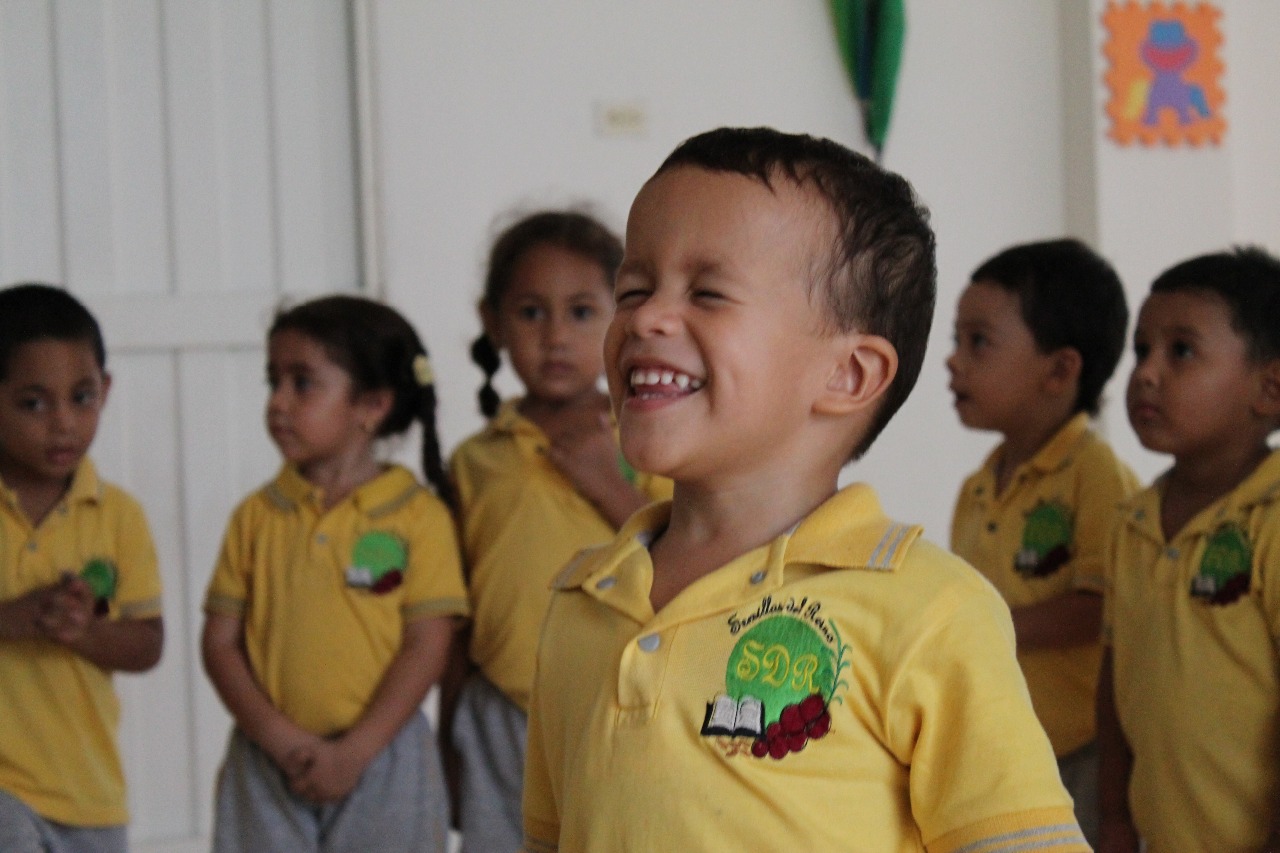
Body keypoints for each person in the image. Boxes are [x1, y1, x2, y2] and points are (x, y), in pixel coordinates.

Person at [521, 127, 1089, 852]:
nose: (646, 318)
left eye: (708, 293)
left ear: (847, 375)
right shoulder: (583, 601)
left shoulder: (931, 610)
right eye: (633, 289)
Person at [201, 295, 467, 853]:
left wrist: (354, 752)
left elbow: (427, 645)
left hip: (385, 758)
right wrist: (279, 740)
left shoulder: (418, 518)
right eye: (273, 381)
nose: (277, 402)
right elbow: (220, 644)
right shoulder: (256, 517)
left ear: (371, 405)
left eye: (302, 383)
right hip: (267, 759)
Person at [442, 210, 671, 852]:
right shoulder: (475, 462)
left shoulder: (649, 441)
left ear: (622, 317)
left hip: (619, 705)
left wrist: (607, 483)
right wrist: (445, 735)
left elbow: (693, 556)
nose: (555, 337)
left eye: (581, 312)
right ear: (493, 322)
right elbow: (454, 614)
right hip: (497, 714)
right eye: (530, 313)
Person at [946, 239, 1138, 842]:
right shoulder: (977, 488)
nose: (953, 361)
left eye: (978, 341)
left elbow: (1101, 606)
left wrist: (985, 623)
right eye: (957, 339)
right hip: (1004, 745)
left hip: (1080, 750)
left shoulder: (1095, 474)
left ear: (1059, 371)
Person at [1097, 247, 1280, 853]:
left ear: (1270, 388)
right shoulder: (1132, 521)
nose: (1146, 373)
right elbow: (1115, 679)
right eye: (1141, 350)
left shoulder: (1271, 517)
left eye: (1181, 351)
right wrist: (1114, 818)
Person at [0, 283, 164, 853]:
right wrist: (11, 619)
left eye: (82, 397)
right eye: (34, 404)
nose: (64, 423)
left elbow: (148, 644)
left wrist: (85, 632)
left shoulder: (119, 516)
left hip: (89, 792)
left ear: (106, 391)